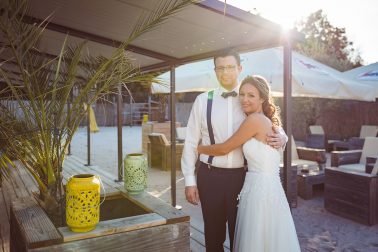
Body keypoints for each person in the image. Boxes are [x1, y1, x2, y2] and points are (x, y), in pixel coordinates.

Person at [181, 49, 287, 252]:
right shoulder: (203, 100)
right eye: (220, 68)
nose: (225, 72)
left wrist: (283, 136)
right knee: (213, 237)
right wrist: (189, 180)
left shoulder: (250, 97)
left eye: (230, 67)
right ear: (215, 70)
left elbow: (270, 121)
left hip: (242, 179)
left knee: (242, 238)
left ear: (239, 68)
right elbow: (190, 141)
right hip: (209, 177)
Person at [197, 75, 301, 252]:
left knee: (257, 239)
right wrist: (282, 136)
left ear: (262, 98)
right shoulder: (268, 122)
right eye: (242, 94)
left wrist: (198, 149)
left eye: (251, 95)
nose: (244, 99)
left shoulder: (254, 120)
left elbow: (224, 148)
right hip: (268, 188)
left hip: (259, 190)